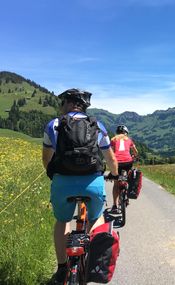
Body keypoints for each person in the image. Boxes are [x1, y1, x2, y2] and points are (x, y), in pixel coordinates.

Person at [42, 88, 118, 284]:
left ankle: (61, 268)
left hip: (62, 183)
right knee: (96, 217)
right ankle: (95, 263)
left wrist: (56, 176)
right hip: (92, 184)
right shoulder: (97, 126)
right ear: (84, 106)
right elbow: (110, 159)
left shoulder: (54, 124)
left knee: (62, 220)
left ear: (67, 103)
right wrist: (115, 175)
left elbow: (46, 159)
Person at [110, 125, 138, 212]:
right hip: (128, 162)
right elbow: (135, 151)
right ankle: (127, 196)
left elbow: (110, 151)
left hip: (117, 163)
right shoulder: (128, 139)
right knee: (128, 178)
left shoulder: (113, 139)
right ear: (126, 133)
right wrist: (134, 156)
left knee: (116, 183)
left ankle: (115, 205)